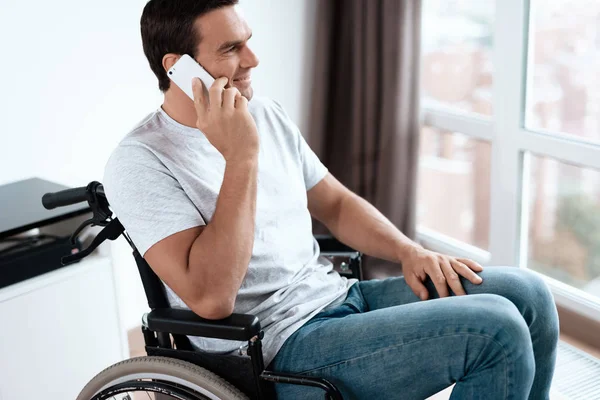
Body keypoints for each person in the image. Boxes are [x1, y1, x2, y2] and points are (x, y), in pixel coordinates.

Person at [103, 0, 559, 398]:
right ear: (177, 66)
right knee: (494, 329)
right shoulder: (141, 161)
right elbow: (211, 298)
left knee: (529, 295)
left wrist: (409, 252)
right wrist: (241, 158)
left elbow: (336, 204)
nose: (253, 59)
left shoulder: (265, 113)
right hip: (274, 349)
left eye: (247, 41)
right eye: (230, 49)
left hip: (338, 297)